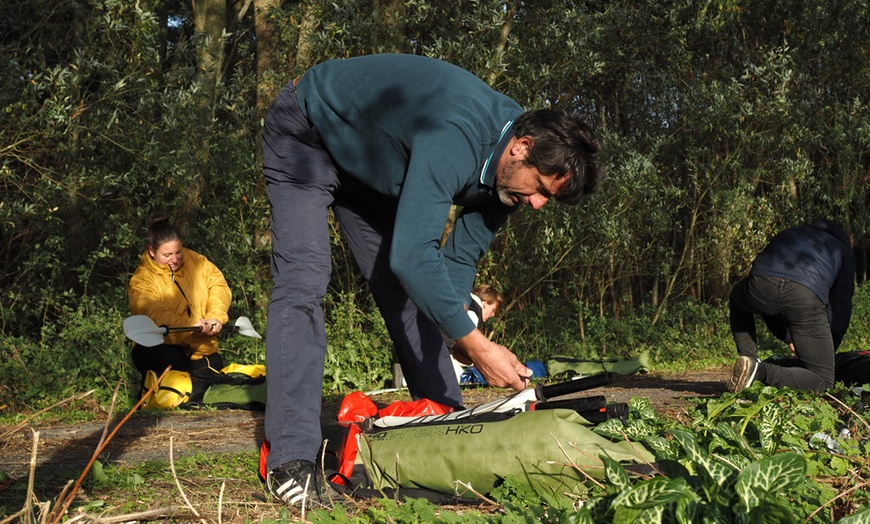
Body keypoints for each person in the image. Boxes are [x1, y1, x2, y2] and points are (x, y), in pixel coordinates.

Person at [261, 53, 601, 508]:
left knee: (412, 295)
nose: (537, 204)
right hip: (309, 135)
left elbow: (457, 262)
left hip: (374, 172)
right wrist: (479, 347)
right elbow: (412, 256)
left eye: (547, 198)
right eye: (540, 187)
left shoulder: (508, 181)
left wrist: (459, 334)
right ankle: (290, 461)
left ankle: (447, 424)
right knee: (304, 281)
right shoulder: (457, 136)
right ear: (521, 147)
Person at [726, 219, 855, 394]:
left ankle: (749, 361)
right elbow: (840, 306)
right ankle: (761, 372)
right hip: (803, 296)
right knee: (823, 381)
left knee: (737, 296)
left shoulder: (791, 232)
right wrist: (826, 351)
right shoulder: (842, 249)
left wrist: (788, 337)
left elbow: (772, 303)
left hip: (760, 285)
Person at [128, 215, 232, 384]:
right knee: (174, 365)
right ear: (152, 251)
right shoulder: (141, 280)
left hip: (198, 342)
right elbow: (154, 313)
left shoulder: (196, 261)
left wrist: (215, 317)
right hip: (161, 345)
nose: (175, 259)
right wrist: (191, 325)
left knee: (211, 372)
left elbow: (218, 285)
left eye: (178, 252)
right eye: (167, 255)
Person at [446, 284, 505, 382]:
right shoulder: (472, 315)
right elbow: (464, 351)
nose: (493, 315)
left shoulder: (464, 302)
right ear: (485, 303)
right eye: (493, 310)